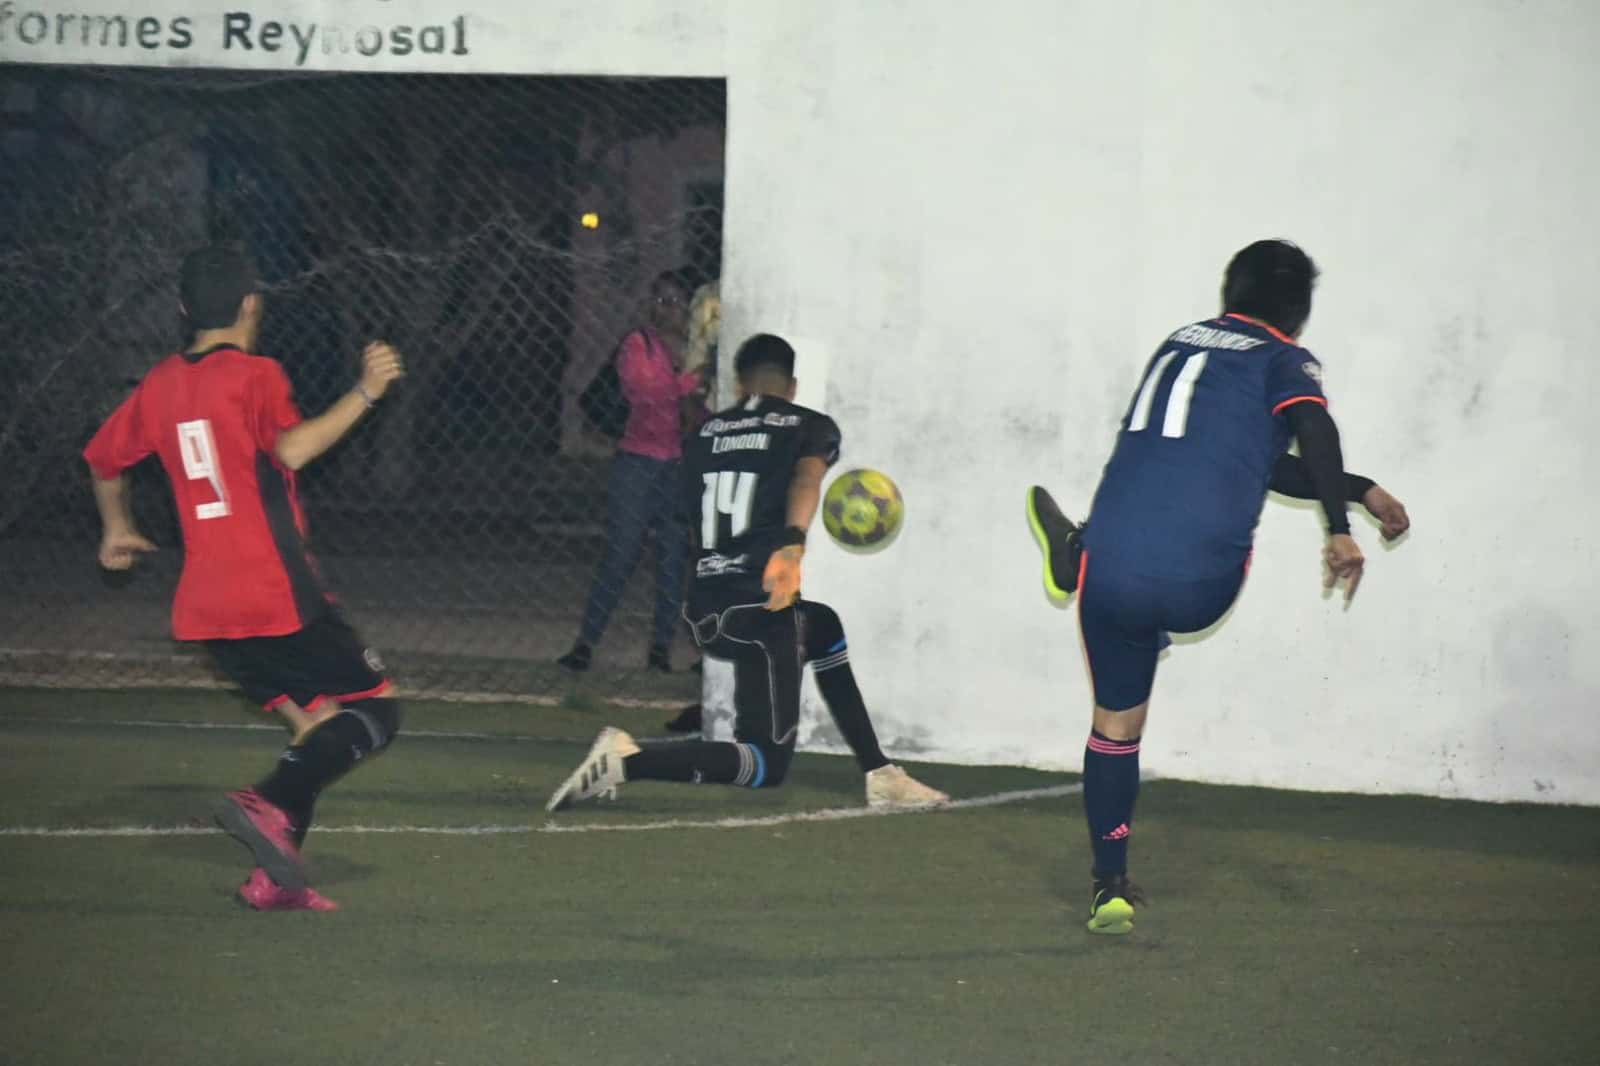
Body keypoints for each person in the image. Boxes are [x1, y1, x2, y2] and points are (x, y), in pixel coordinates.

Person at [1026, 239, 1411, 936]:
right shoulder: (1282, 358)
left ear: (1230, 291)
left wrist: (1358, 491)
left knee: (1115, 729)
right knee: (1175, 597)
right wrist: (1336, 523)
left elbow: (1250, 462)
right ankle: (1099, 562)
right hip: (1200, 585)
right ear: (1298, 311)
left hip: (1111, 574)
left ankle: (1107, 884)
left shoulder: (1179, 344)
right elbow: (1312, 428)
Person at [81, 244, 406, 912]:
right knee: (376, 710)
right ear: (252, 305)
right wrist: (366, 391)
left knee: (317, 732)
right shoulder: (255, 374)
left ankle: (275, 880)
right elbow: (292, 448)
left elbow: (103, 459)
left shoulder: (161, 382)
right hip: (275, 596)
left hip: (208, 613)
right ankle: (269, 803)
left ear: (181, 309)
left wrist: (115, 527)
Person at [547, 333, 948, 811]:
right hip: (760, 607)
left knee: (822, 627)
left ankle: (881, 774)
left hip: (708, 608)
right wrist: (792, 546)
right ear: (792, 385)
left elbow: (687, 514)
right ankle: (627, 761)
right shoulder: (808, 426)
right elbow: (807, 477)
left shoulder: (702, 435)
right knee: (762, 763)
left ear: (740, 384)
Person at [559, 270, 708, 674]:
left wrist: (698, 376)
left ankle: (660, 649)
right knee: (621, 556)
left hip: (678, 465)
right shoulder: (639, 344)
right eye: (659, 300)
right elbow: (646, 393)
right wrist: (695, 379)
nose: (665, 309)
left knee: (673, 560)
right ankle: (585, 644)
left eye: (674, 301)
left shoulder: (700, 349)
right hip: (638, 461)